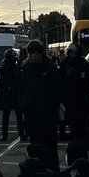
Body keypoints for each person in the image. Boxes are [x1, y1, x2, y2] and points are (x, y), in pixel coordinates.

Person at [18, 40, 61, 169]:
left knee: (50, 148)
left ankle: (52, 172)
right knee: (36, 149)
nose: (29, 57)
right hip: (32, 117)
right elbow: (22, 88)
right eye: (28, 55)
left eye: (31, 54)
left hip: (47, 118)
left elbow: (58, 90)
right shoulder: (27, 69)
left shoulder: (50, 68)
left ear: (39, 53)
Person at [0, 48, 24, 142]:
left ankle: (5, 135)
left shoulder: (6, 68)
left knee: (7, 116)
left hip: (10, 95)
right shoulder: (15, 68)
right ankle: (21, 134)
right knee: (18, 116)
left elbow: (1, 83)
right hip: (13, 94)